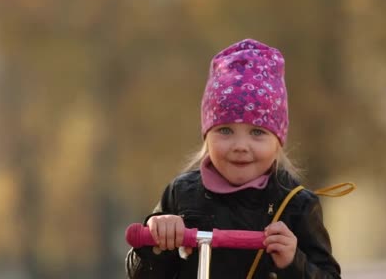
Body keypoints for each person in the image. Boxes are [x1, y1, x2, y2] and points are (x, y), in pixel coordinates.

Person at [126, 39, 341, 278]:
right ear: (207, 136)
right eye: (225, 131)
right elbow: (140, 274)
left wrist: (294, 262)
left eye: (257, 132)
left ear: (278, 141)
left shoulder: (295, 205)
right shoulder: (182, 195)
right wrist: (156, 244)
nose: (240, 146)